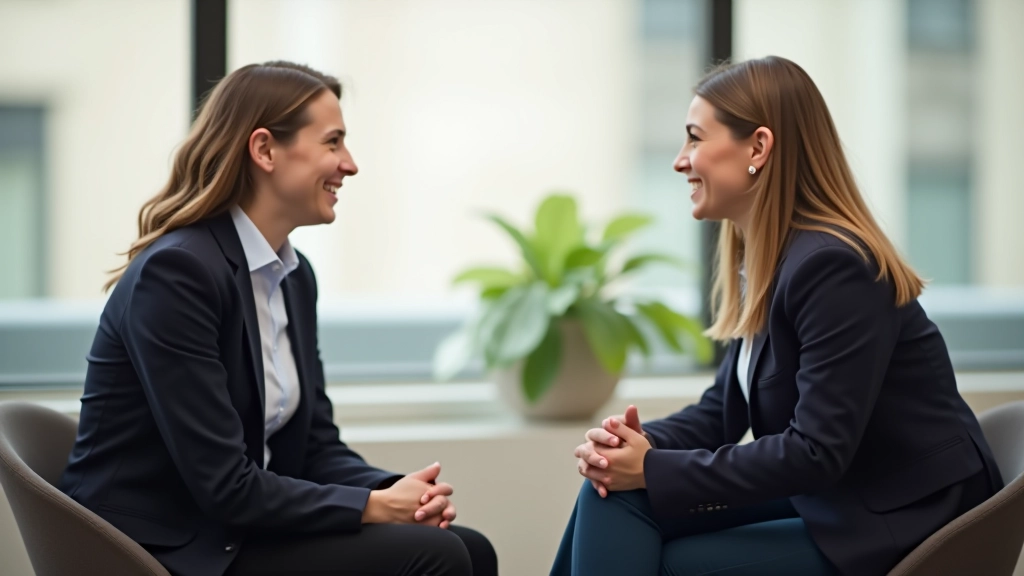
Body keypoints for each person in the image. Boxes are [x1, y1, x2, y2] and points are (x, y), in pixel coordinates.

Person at [551, 55, 1003, 576]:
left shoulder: (833, 268)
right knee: (610, 491)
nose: (680, 160)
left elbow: (816, 451)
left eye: (695, 138)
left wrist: (651, 468)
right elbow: (724, 410)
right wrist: (630, 449)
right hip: (839, 493)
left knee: (674, 560)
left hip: (902, 514)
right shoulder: (769, 258)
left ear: (759, 148)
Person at [58, 61, 497, 576]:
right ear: (265, 149)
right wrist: (376, 509)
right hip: (164, 546)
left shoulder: (292, 276)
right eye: (333, 143)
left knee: (471, 547)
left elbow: (314, 449)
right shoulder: (178, 275)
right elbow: (224, 484)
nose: (350, 164)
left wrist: (399, 493)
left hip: (233, 527)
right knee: (436, 556)